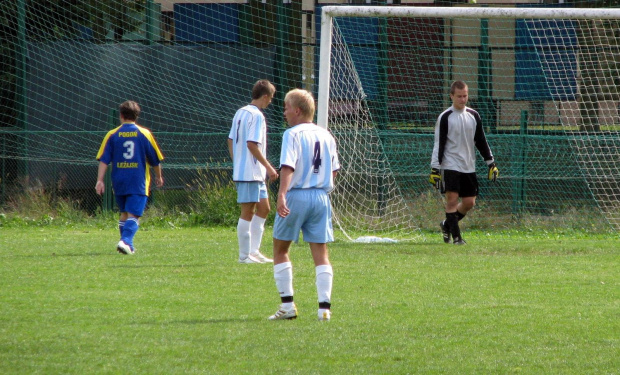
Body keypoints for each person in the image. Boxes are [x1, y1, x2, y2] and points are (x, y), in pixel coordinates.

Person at [267, 89, 340, 322]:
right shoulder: (326, 135)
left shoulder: (292, 134)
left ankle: (287, 306)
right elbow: (335, 169)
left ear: (297, 110)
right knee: (321, 254)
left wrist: (282, 195)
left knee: (280, 249)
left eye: (287, 107)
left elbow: (287, 167)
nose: (285, 112)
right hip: (321, 198)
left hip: (297, 195)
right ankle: (324, 309)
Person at [429, 80, 499, 245]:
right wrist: (435, 169)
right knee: (452, 200)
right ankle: (457, 238)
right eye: (459, 96)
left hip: (468, 166)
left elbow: (481, 141)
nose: (462, 99)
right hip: (450, 164)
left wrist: (491, 163)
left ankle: (447, 224)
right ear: (451, 96)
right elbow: (439, 144)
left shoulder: (473, 116)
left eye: (465, 96)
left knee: (469, 202)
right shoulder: (445, 117)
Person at [95, 100, 164, 254]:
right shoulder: (144, 133)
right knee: (134, 214)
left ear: (121, 115)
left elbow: (104, 160)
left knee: (125, 212)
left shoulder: (112, 135)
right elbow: (155, 160)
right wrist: (159, 176)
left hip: (119, 181)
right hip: (137, 181)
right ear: (137, 116)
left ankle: (126, 246)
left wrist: (100, 180)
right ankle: (125, 241)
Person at [228, 79, 278, 264]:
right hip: (250, 172)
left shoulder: (240, 112)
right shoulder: (257, 115)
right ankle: (244, 256)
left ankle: (254, 251)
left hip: (252, 172)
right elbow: (251, 144)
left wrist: (237, 161)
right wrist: (269, 167)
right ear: (265, 96)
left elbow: (230, 140)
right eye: (271, 98)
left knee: (264, 208)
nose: (270, 102)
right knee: (247, 211)